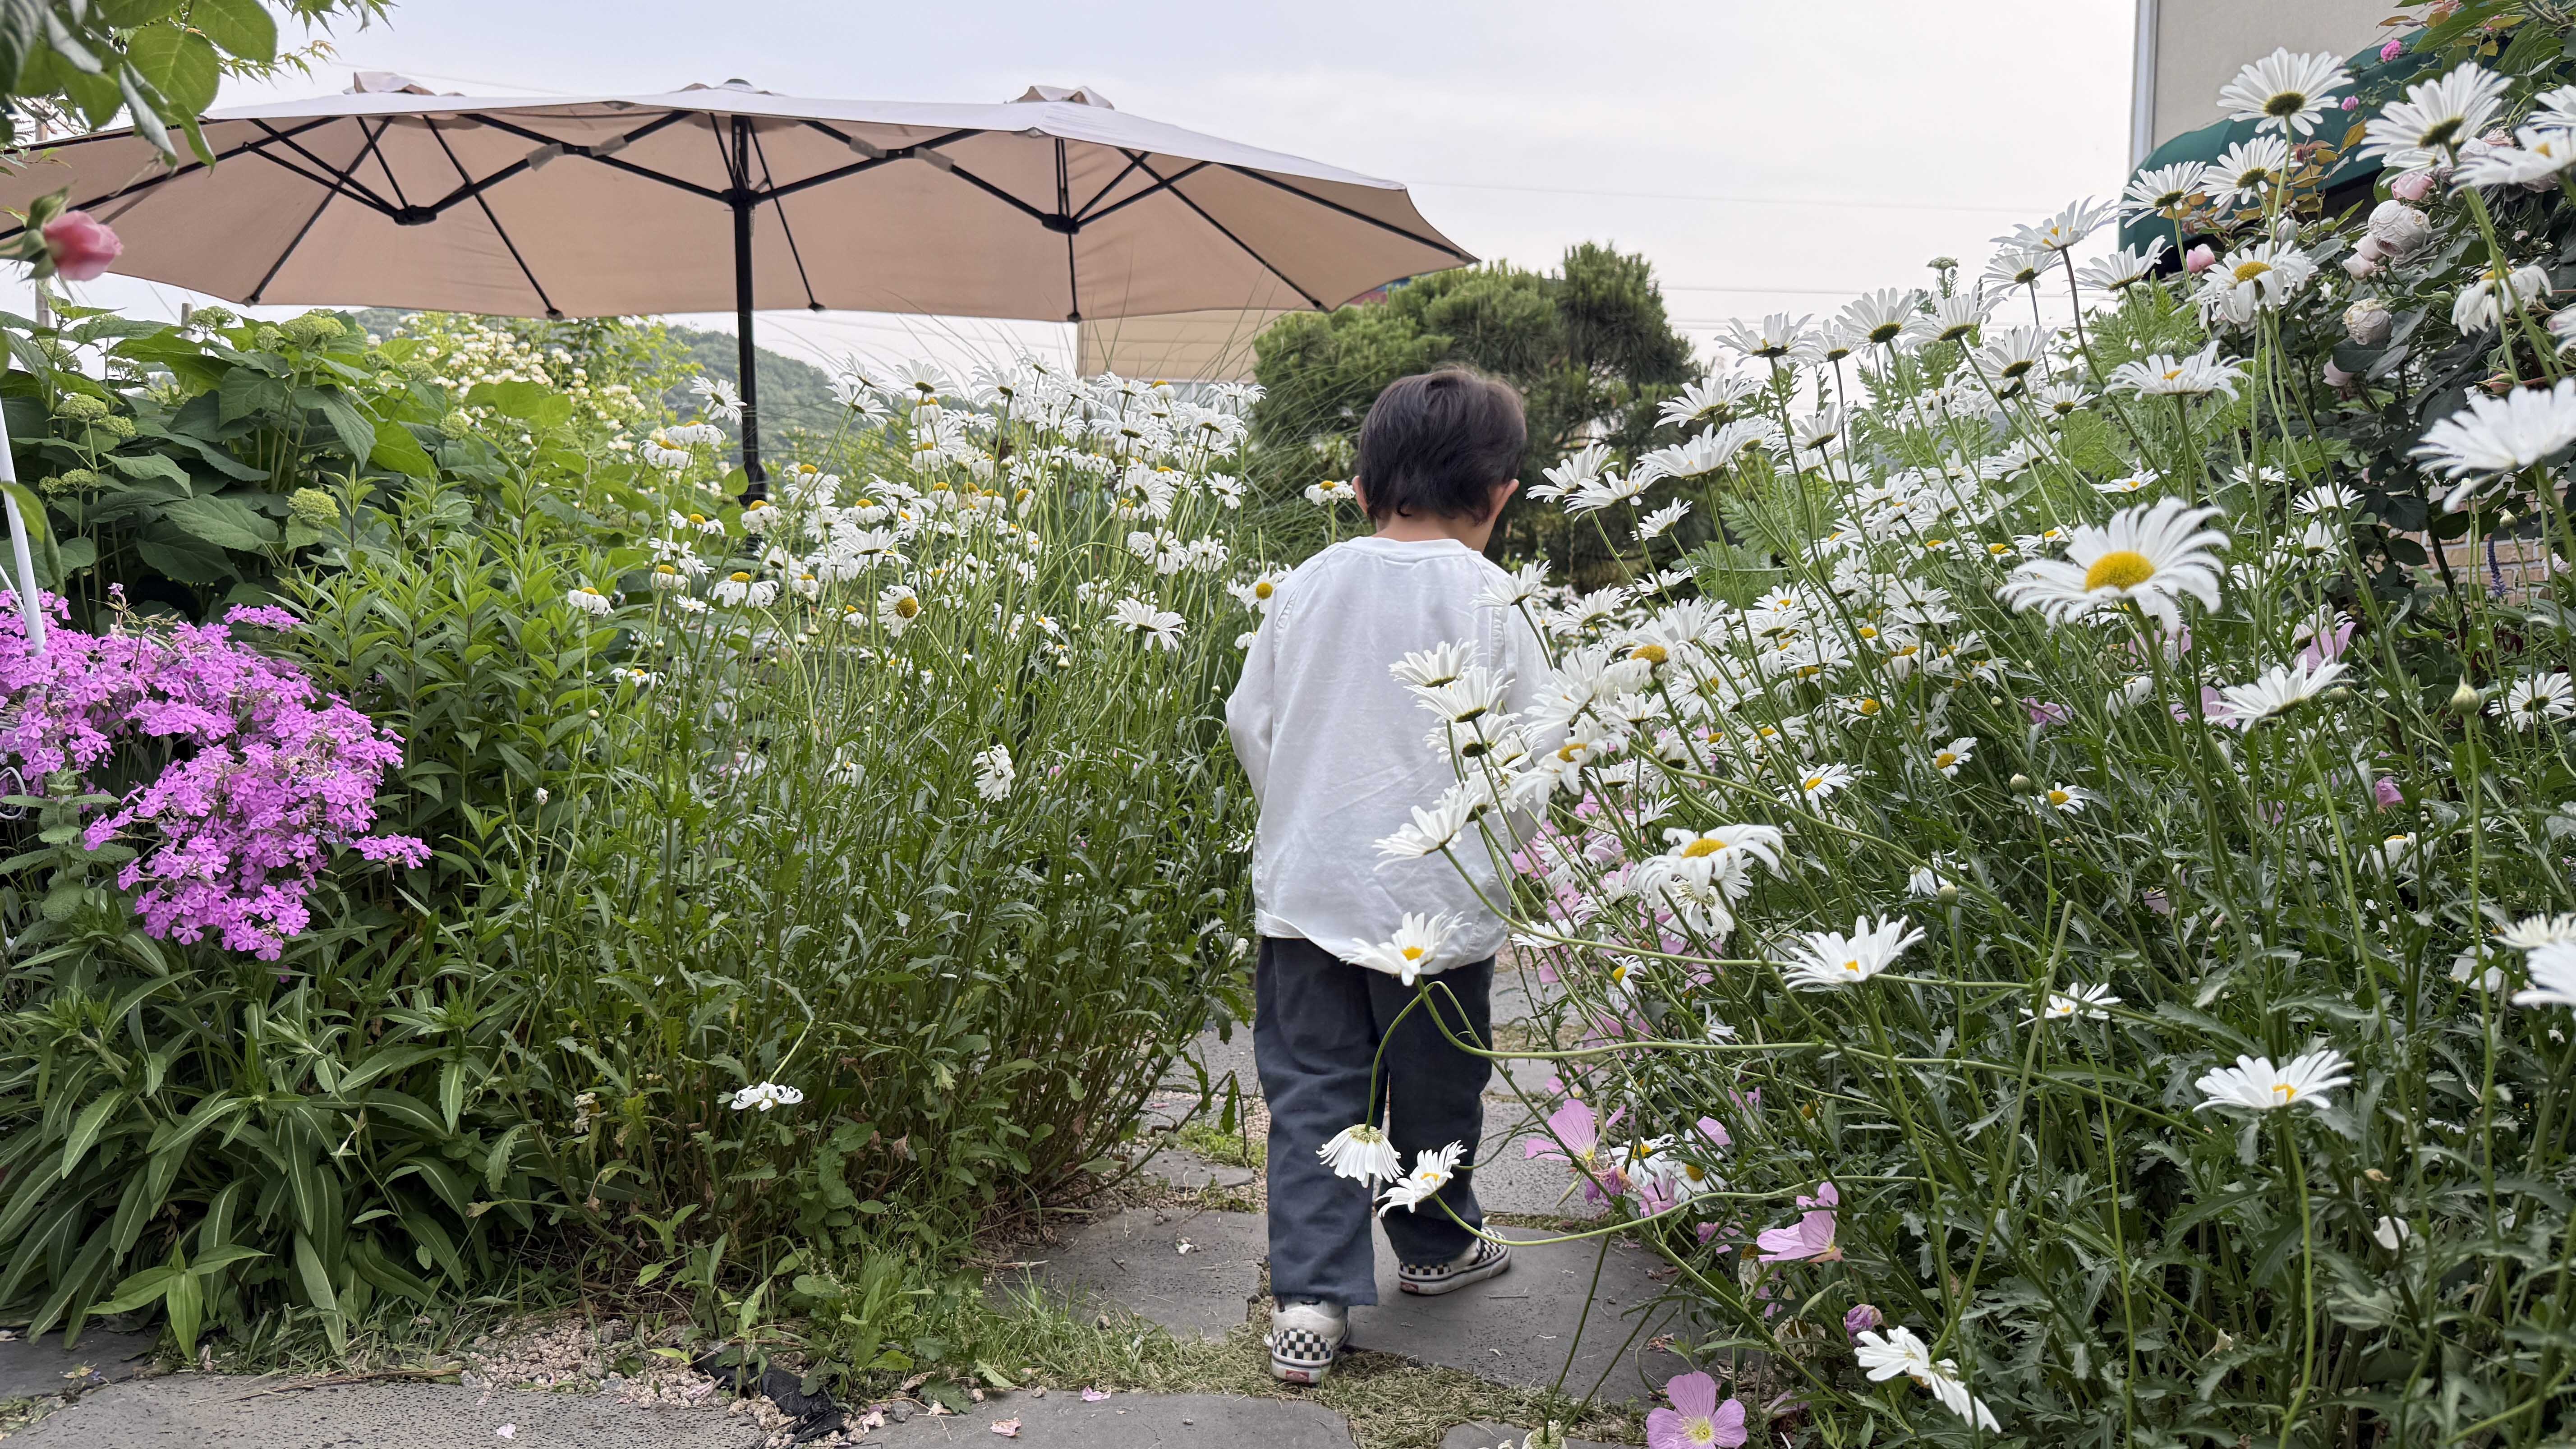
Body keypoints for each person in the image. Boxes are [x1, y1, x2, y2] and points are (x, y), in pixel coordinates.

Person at [1224, 368, 1548, 1385]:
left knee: (1316, 1089)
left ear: (1361, 486)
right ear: (1500, 495)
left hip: (1311, 897)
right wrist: (1498, 853)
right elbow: (1534, 748)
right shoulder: (1500, 599)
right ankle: (1437, 1247)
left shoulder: (1308, 584)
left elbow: (1251, 721)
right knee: (1437, 1082)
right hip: (1440, 907)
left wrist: (1304, 813)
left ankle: (1312, 1297)